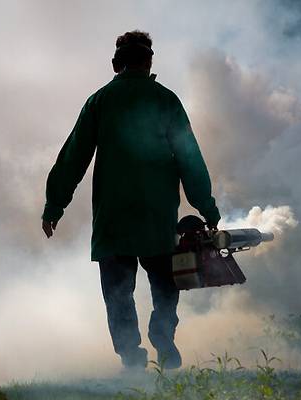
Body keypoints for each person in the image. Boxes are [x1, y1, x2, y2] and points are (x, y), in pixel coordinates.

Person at [41, 30, 220, 370]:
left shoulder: (99, 101)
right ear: (149, 61)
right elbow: (189, 157)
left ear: (115, 64)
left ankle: (131, 359)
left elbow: (73, 156)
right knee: (166, 281)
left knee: (118, 292)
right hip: (157, 216)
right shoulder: (165, 100)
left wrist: (55, 205)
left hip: (113, 218)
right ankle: (163, 334)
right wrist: (206, 207)